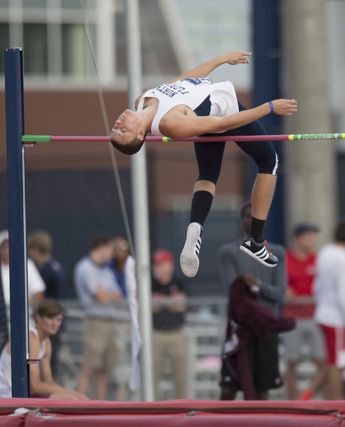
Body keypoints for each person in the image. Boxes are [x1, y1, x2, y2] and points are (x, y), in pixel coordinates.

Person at [111, 51, 297, 277]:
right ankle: (256, 240)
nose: (119, 123)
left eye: (116, 128)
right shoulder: (170, 123)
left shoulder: (142, 100)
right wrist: (268, 107)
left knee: (208, 174)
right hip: (225, 111)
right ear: (141, 134)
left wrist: (222, 59)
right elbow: (223, 123)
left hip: (209, 112)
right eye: (123, 131)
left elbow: (186, 81)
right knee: (270, 161)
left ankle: (195, 226)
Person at [218, 201, 287, 400]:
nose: (253, 219)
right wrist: (253, 288)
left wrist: (255, 285)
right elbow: (234, 292)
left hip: (265, 328)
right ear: (242, 220)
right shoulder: (229, 252)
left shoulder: (278, 253)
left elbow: (279, 294)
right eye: (248, 215)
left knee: (261, 390)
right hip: (239, 328)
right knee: (228, 389)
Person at [0, 298, 87, 399]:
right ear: (38, 318)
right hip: (11, 398)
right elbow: (35, 386)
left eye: (58, 319)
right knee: (71, 398)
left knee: (78, 398)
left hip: (26, 395)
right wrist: (71, 393)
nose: (55, 324)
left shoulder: (46, 343)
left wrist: (73, 393)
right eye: (50, 318)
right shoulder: (32, 338)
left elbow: (48, 382)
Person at [222, 275, 295, 400]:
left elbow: (280, 295)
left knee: (262, 387)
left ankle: (258, 419)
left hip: (264, 333)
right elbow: (233, 289)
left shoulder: (275, 255)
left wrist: (258, 285)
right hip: (242, 336)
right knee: (229, 387)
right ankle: (220, 420)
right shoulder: (230, 255)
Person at [74, 233, 124, 400]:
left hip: (109, 323)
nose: (113, 254)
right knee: (89, 367)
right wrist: (109, 296)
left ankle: (100, 405)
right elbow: (100, 297)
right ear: (102, 248)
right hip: (95, 323)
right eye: (111, 249)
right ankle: (79, 404)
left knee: (104, 369)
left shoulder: (106, 271)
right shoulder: (85, 267)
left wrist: (107, 295)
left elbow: (119, 295)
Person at [313, 219, 345, 400]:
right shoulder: (342, 258)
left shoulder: (325, 252)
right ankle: (336, 403)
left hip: (324, 313)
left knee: (334, 362)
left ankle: (328, 401)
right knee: (337, 364)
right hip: (337, 318)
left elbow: (316, 287)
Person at [282, 223, 326, 400]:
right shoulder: (285, 259)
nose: (311, 240)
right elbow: (281, 286)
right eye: (308, 236)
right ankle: (293, 403)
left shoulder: (318, 259)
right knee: (291, 362)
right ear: (297, 239)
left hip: (315, 317)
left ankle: (305, 398)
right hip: (292, 318)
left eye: (312, 236)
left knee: (323, 362)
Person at [27, 230, 67, 379]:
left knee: (49, 365)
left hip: (49, 320)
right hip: (52, 319)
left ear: (36, 249)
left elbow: (41, 296)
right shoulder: (54, 267)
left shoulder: (47, 270)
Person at [151, 249, 187, 400]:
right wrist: (171, 301)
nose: (157, 267)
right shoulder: (151, 283)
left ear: (169, 265)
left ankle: (183, 405)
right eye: (156, 264)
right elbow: (151, 305)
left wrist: (161, 301)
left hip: (176, 333)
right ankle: (153, 407)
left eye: (161, 264)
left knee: (180, 375)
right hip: (156, 333)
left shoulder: (178, 282)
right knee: (153, 374)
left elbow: (181, 305)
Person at [0, 229, 46, 328]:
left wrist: (22, 304)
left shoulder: (27, 265)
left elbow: (39, 293)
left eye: (9, 245)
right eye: (4, 246)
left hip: (23, 321)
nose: (7, 249)